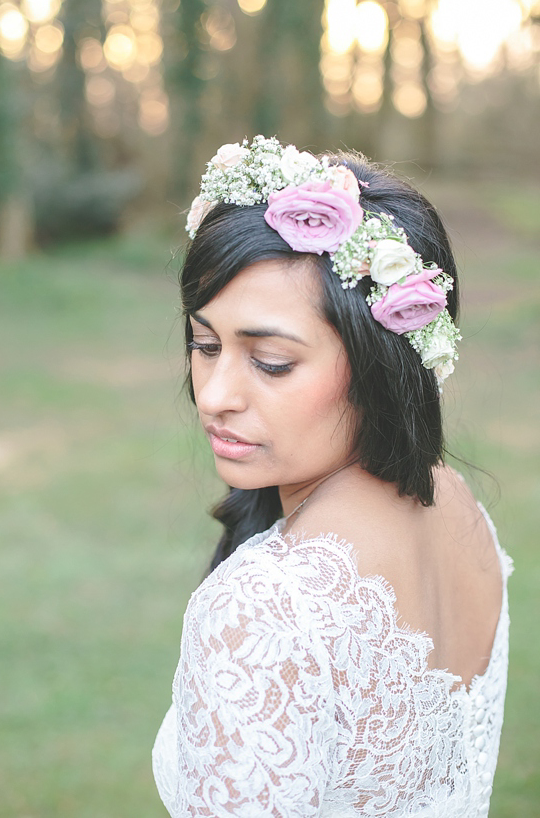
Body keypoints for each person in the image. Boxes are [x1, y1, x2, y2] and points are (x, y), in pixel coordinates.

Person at [152, 136, 512, 817]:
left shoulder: (264, 605)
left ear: (381, 364)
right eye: (204, 345)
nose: (213, 393)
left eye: (272, 361)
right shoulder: (462, 512)